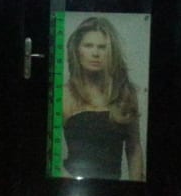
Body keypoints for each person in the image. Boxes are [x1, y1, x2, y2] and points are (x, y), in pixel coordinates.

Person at [61, 16, 144, 181]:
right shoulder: (65, 94)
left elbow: (134, 147)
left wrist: (134, 190)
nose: (95, 53)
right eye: (88, 45)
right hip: (72, 184)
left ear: (111, 52)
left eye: (102, 47)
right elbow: (47, 151)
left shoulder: (125, 93)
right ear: (77, 50)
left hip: (113, 188)